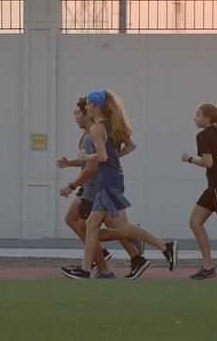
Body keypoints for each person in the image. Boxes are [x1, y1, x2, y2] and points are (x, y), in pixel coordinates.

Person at [61, 89, 177, 279]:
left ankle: (166, 247)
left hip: (107, 182)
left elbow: (103, 156)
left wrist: (87, 156)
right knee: (91, 225)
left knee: (123, 227)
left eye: (89, 104)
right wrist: (115, 157)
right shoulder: (112, 125)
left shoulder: (97, 128)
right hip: (112, 179)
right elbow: (131, 145)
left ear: (97, 107)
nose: (86, 107)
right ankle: (85, 270)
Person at [56, 98, 147, 279]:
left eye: (77, 112)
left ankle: (106, 261)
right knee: (79, 222)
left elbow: (93, 167)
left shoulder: (95, 131)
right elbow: (90, 160)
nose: (74, 116)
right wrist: (71, 163)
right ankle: (113, 252)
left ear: (88, 113)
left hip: (96, 186)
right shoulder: (89, 133)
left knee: (89, 229)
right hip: (91, 185)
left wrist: (70, 186)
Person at [181, 103, 217, 279]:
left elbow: (208, 163)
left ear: (207, 118)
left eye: (197, 115)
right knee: (195, 222)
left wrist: (189, 158)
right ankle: (208, 266)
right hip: (215, 186)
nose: (194, 118)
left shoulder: (203, 135)